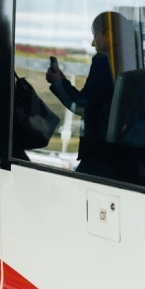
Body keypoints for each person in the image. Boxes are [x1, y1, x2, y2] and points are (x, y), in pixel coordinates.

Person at [46, 11, 120, 178]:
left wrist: (58, 83)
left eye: (95, 35)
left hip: (100, 154)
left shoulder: (104, 62)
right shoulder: (132, 60)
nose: (94, 43)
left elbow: (82, 105)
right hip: (122, 154)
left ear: (107, 36)